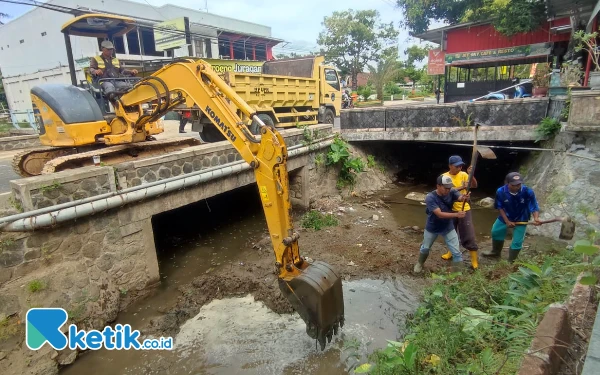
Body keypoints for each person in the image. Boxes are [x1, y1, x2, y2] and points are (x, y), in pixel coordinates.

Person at [414, 174, 471, 274]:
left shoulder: (451, 191)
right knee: (425, 248)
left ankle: (457, 275)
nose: (448, 190)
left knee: (457, 253)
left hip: (447, 226)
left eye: (449, 188)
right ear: (438, 186)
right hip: (433, 227)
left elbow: (460, 197)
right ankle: (420, 263)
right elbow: (439, 214)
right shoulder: (430, 197)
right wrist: (457, 214)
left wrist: (464, 197)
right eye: (446, 188)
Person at [482, 172, 541, 263]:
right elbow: (499, 207)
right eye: (514, 185)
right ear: (507, 183)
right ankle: (496, 252)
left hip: (521, 218)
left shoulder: (527, 191)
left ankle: (511, 261)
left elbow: (534, 206)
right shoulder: (501, 191)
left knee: (517, 241)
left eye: (519, 184)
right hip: (506, 216)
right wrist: (507, 221)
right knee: (496, 231)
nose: (517, 187)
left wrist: (536, 218)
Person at [440, 155, 480, 270]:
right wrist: (462, 187)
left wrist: (471, 175)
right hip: (449, 209)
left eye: (461, 165)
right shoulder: (444, 177)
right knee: (450, 233)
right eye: (457, 166)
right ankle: (450, 252)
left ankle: (474, 260)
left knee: (469, 234)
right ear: (450, 166)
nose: (459, 167)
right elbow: (445, 191)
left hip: (464, 208)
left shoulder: (464, 174)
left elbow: (474, 185)